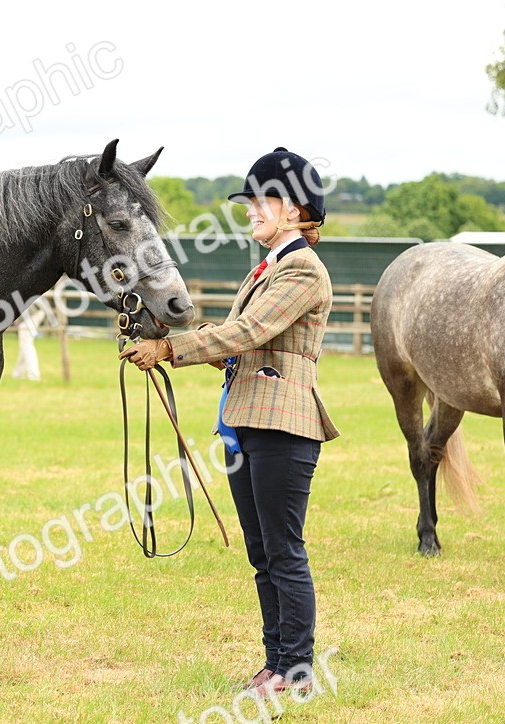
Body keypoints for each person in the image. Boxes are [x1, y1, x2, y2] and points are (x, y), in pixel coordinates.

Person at [119, 147, 340, 696]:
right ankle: (276, 660)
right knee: (262, 551)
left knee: (284, 548)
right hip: (245, 419)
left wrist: (171, 348)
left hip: (283, 424)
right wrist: (180, 340)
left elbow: (250, 333)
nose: (251, 210)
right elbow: (242, 343)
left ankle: (299, 668)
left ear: (293, 210)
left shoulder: (302, 268)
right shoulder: (267, 266)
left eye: (263, 200)